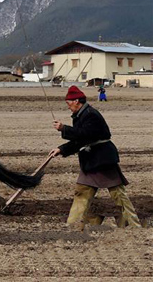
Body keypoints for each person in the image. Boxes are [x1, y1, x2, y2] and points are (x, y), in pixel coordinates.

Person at [49, 85, 140, 230]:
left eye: (68, 103)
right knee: (81, 192)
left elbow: (85, 134)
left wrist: (63, 129)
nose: (67, 107)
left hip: (103, 160)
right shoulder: (81, 115)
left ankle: (134, 225)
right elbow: (80, 140)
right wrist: (61, 149)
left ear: (76, 101)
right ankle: (73, 225)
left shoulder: (91, 114)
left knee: (118, 195)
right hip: (92, 161)